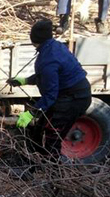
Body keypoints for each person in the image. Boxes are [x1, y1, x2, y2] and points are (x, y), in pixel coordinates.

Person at [9, 19, 92, 157]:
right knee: (38, 131)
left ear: (33, 39)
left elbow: (50, 95)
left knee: (50, 139)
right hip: (68, 95)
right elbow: (48, 76)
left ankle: (52, 174)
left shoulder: (48, 59)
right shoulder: (54, 46)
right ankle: (34, 165)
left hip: (73, 99)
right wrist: (24, 80)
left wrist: (31, 113)